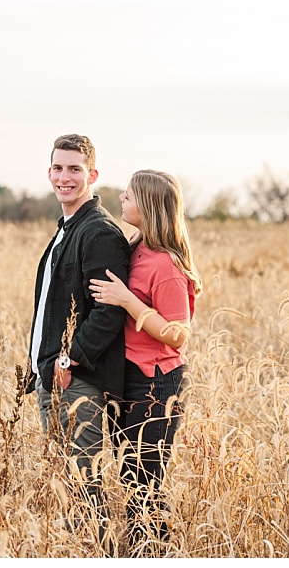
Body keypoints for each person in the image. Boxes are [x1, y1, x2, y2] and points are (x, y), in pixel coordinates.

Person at [26, 133, 130, 551]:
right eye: (58, 168)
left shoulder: (98, 232)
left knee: (84, 488)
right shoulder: (68, 229)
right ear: (49, 171)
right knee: (66, 485)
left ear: (93, 174)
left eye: (74, 169)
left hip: (78, 383)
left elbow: (111, 310)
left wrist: (68, 361)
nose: (64, 177)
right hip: (54, 380)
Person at [89, 169, 202, 555]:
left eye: (130, 195)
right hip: (128, 378)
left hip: (156, 384)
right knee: (129, 474)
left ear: (149, 207)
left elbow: (177, 333)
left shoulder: (166, 266)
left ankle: (156, 555)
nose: (121, 197)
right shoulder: (135, 246)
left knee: (145, 483)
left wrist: (126, 300)